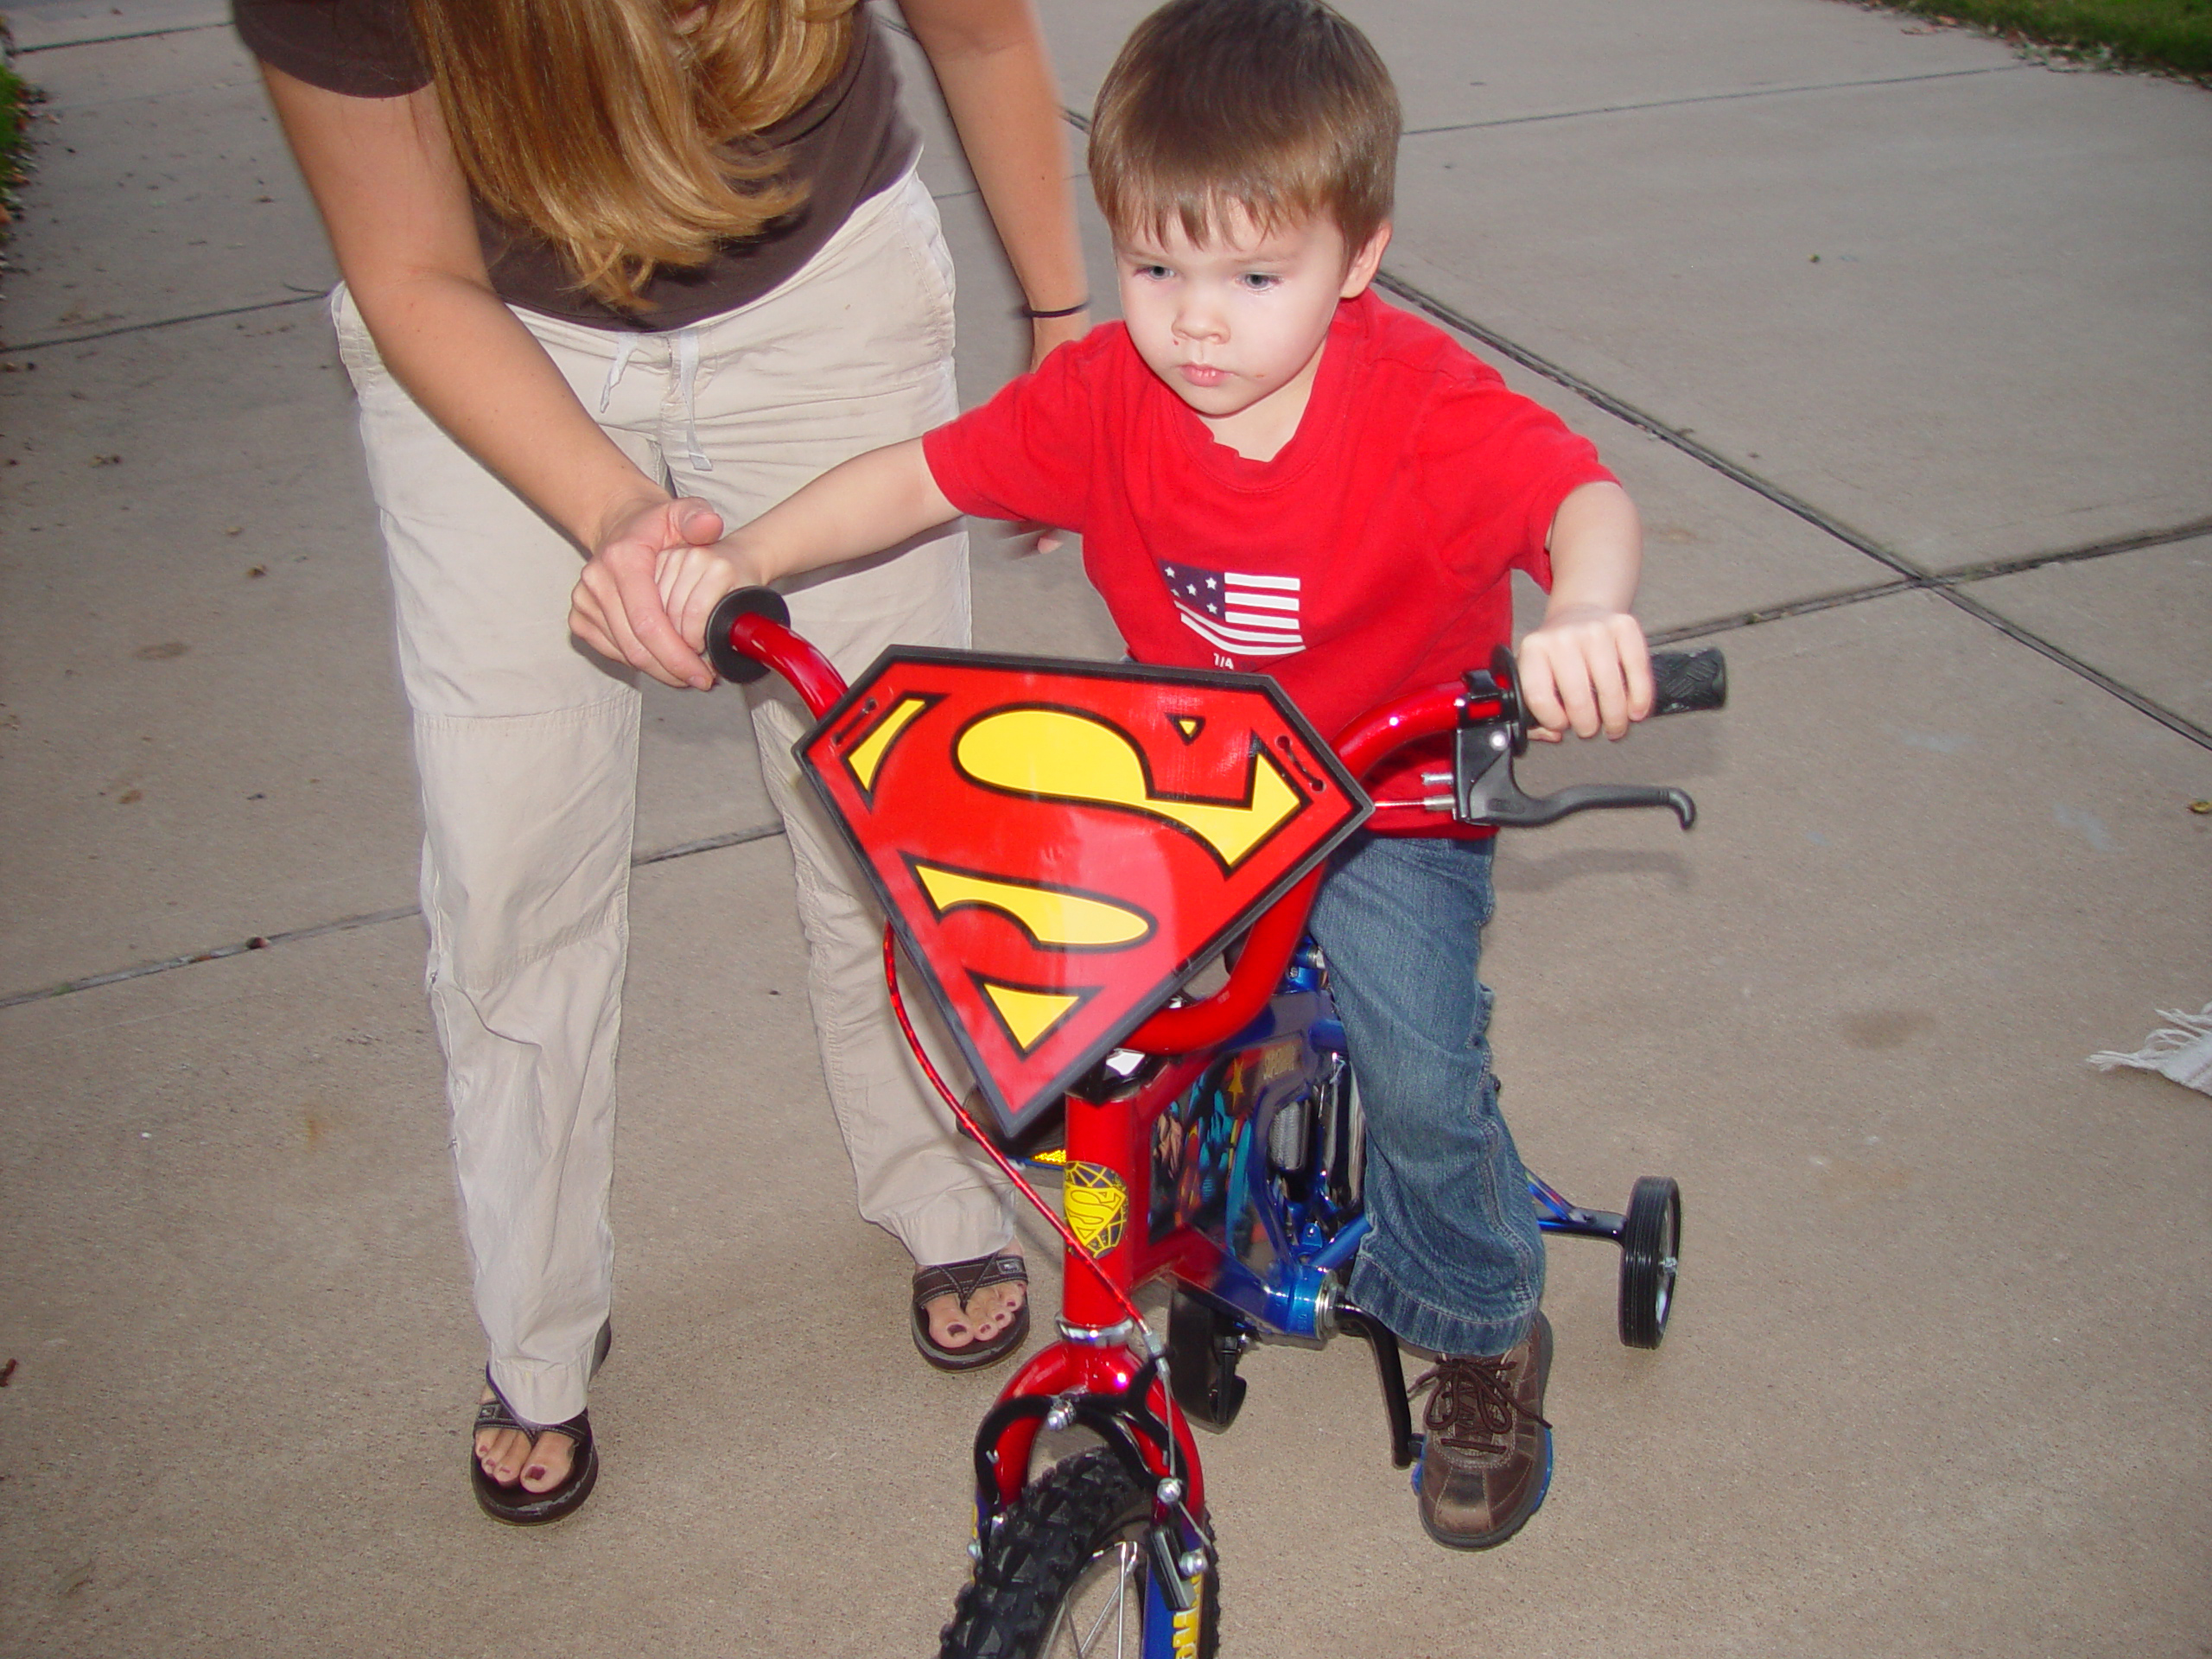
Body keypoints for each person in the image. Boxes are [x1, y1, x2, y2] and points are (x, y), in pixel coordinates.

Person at [602, 0, 1659, 1550]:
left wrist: (1582, 614)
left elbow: (1582, 499)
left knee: (1422, 1067)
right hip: (1198, 793)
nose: (1197, 323)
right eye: (1155, 269)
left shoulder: (1417, 409)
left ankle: (1487, 1318)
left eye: (1253, 275)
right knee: (1092, 1024)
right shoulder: (1110, 401)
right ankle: (1207, 1244)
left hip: (1391, 797)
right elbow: (919, 475)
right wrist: (748, 556)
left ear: (1358, 260)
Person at [239, 0, 1089, 1524]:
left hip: (822, 293)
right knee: (512, 874)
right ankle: (539, 1328)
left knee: (886, 815)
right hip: (486, 335)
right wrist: (617, 517)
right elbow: (408, 262)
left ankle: (941, 1177)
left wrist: (1061, 317)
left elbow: (977, 33)